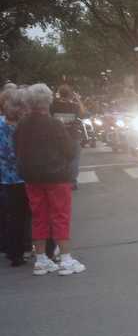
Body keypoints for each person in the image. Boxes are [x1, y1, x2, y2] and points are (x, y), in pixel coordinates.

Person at [15, 84, 85, 276]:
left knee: (39, 216)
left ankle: (41, 259)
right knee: (60, 216)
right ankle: (66, 258)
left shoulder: (22, 124)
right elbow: (70, 151)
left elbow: (17, 148)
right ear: (48, 101)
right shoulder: (54, 124)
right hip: (56, 176)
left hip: (31, 176)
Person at [1, 88, 28, 266]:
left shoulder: (21, 124)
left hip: (15, 176)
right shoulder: (15, 126)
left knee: (17, 215)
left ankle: (18, 249)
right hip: (14, 177)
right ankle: (16, 252)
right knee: (17, 215)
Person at [50, 84, 84, 188]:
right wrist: (78, 99)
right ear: (70, 94)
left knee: (60, 158)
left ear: (59, 94)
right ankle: (72, 181)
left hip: (57, 136)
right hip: (73, 136)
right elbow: (83, 113)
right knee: (74, 159)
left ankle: (61, 180)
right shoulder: (74, 106)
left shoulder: (53, 106)